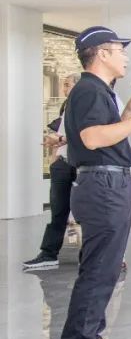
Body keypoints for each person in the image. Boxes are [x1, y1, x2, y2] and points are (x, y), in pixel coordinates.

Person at [60, 26, 131, 339]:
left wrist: (128, 115)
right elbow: (91, 139)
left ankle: (91, 338)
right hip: (103, 185)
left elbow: (106, 136)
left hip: (108, 182)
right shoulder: (89, 89)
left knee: (106, 266)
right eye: (121, 50)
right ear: (102, 54)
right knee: (100, 267)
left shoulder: (99, 90)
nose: (126, 57)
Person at [23, 73, 80, 270]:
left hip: (80, 164)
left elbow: (84, 135)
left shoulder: (87, 105)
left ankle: (92, 256)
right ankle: (48, 254)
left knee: (86, 213)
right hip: (62, 164)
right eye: (64, 85)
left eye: (67, 84)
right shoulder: (66, 106)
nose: (64, 89)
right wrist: (55, 156)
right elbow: (62, 134)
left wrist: (60, 140)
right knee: (58, 211)